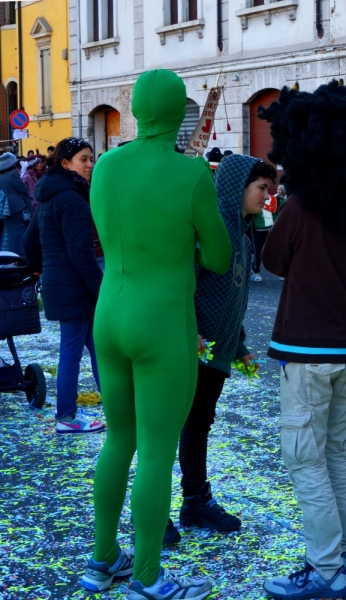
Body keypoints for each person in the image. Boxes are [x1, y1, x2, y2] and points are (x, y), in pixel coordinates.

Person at [82, 70, 232, 599]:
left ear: (137, 113)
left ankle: (103, 559)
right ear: (179, 114)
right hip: (162, 318)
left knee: (117, 440)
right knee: (157, 450)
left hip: (110, 313)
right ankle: (147, 572)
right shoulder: (190, 174)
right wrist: (185, 246)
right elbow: (219, 256)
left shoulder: (104, 166)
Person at [258, 80, 346, 599]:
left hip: (308, 351)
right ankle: (344, 554)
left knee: (304, 457)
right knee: (335, 453)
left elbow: (272, 264)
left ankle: (326, 568)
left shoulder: (299, 209)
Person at [162, 156, 278, 546]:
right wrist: (188, 330)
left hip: (218, 353)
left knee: (198, 427)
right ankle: (155, 511)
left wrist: (240, 344)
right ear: (235, 187)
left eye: (269, 187)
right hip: (190, 349)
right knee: (166, 429)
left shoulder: (244, 236)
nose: (268, 195)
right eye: (261, 188)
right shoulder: (212, 230)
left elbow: (232, 296)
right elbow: (183, 285)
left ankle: (195, 501)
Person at [23, 138, 104, 433]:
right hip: (75, 286)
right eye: (83, 159)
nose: (90, 165)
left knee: (97, 347)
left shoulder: (48, 195)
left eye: (91, 159)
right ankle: (67, 417)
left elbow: (30, 242)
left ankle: (114, 406)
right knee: (72, 350)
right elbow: (81, 254)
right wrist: (102, 289)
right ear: (66, 163)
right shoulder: (71, 198)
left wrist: (42, 270)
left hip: (62, 283)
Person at [0, 152, 32, 254]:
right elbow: (23, 191)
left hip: (3, 208)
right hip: (15, 206)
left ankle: (8, 254)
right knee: (19, 232)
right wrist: (29, 207)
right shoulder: (13, 174)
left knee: (7, 233)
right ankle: (20, 254)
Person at [249, 180, 280, 282]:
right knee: (257, 251)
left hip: (270, 228)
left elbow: (277, 212)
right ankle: (255, 270)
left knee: (273, 251)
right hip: (259, 229)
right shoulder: (255, 199)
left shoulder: (276, 199)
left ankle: (279, 271)